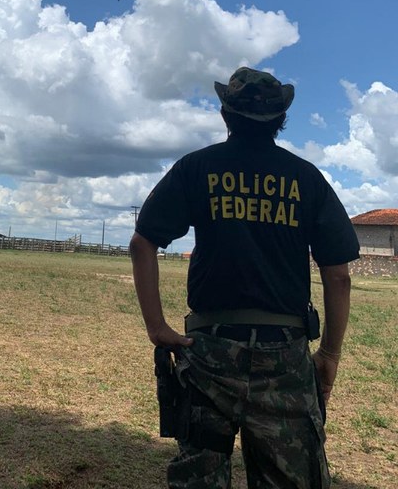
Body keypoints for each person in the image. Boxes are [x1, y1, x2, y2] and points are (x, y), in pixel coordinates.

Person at [130, 67, 360, 489]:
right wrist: (328, 354)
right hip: (285, 357)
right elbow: (338, 276)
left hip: (209, 351)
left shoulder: (197, 168)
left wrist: (156, 326)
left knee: (199, 478)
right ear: (280, 119)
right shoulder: (306, 178)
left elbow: (142, 243)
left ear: (225, 114)